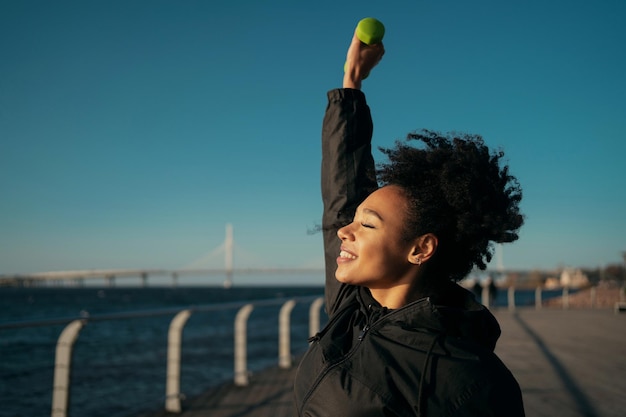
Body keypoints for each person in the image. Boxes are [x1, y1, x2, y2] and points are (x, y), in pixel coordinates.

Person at [293, 29, 526, 417]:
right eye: (354, 222)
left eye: (367, 225)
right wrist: (351, 80)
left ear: (420, 248)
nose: (343, 231)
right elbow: (342, 196)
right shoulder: (353, 306)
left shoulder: (472, 381)